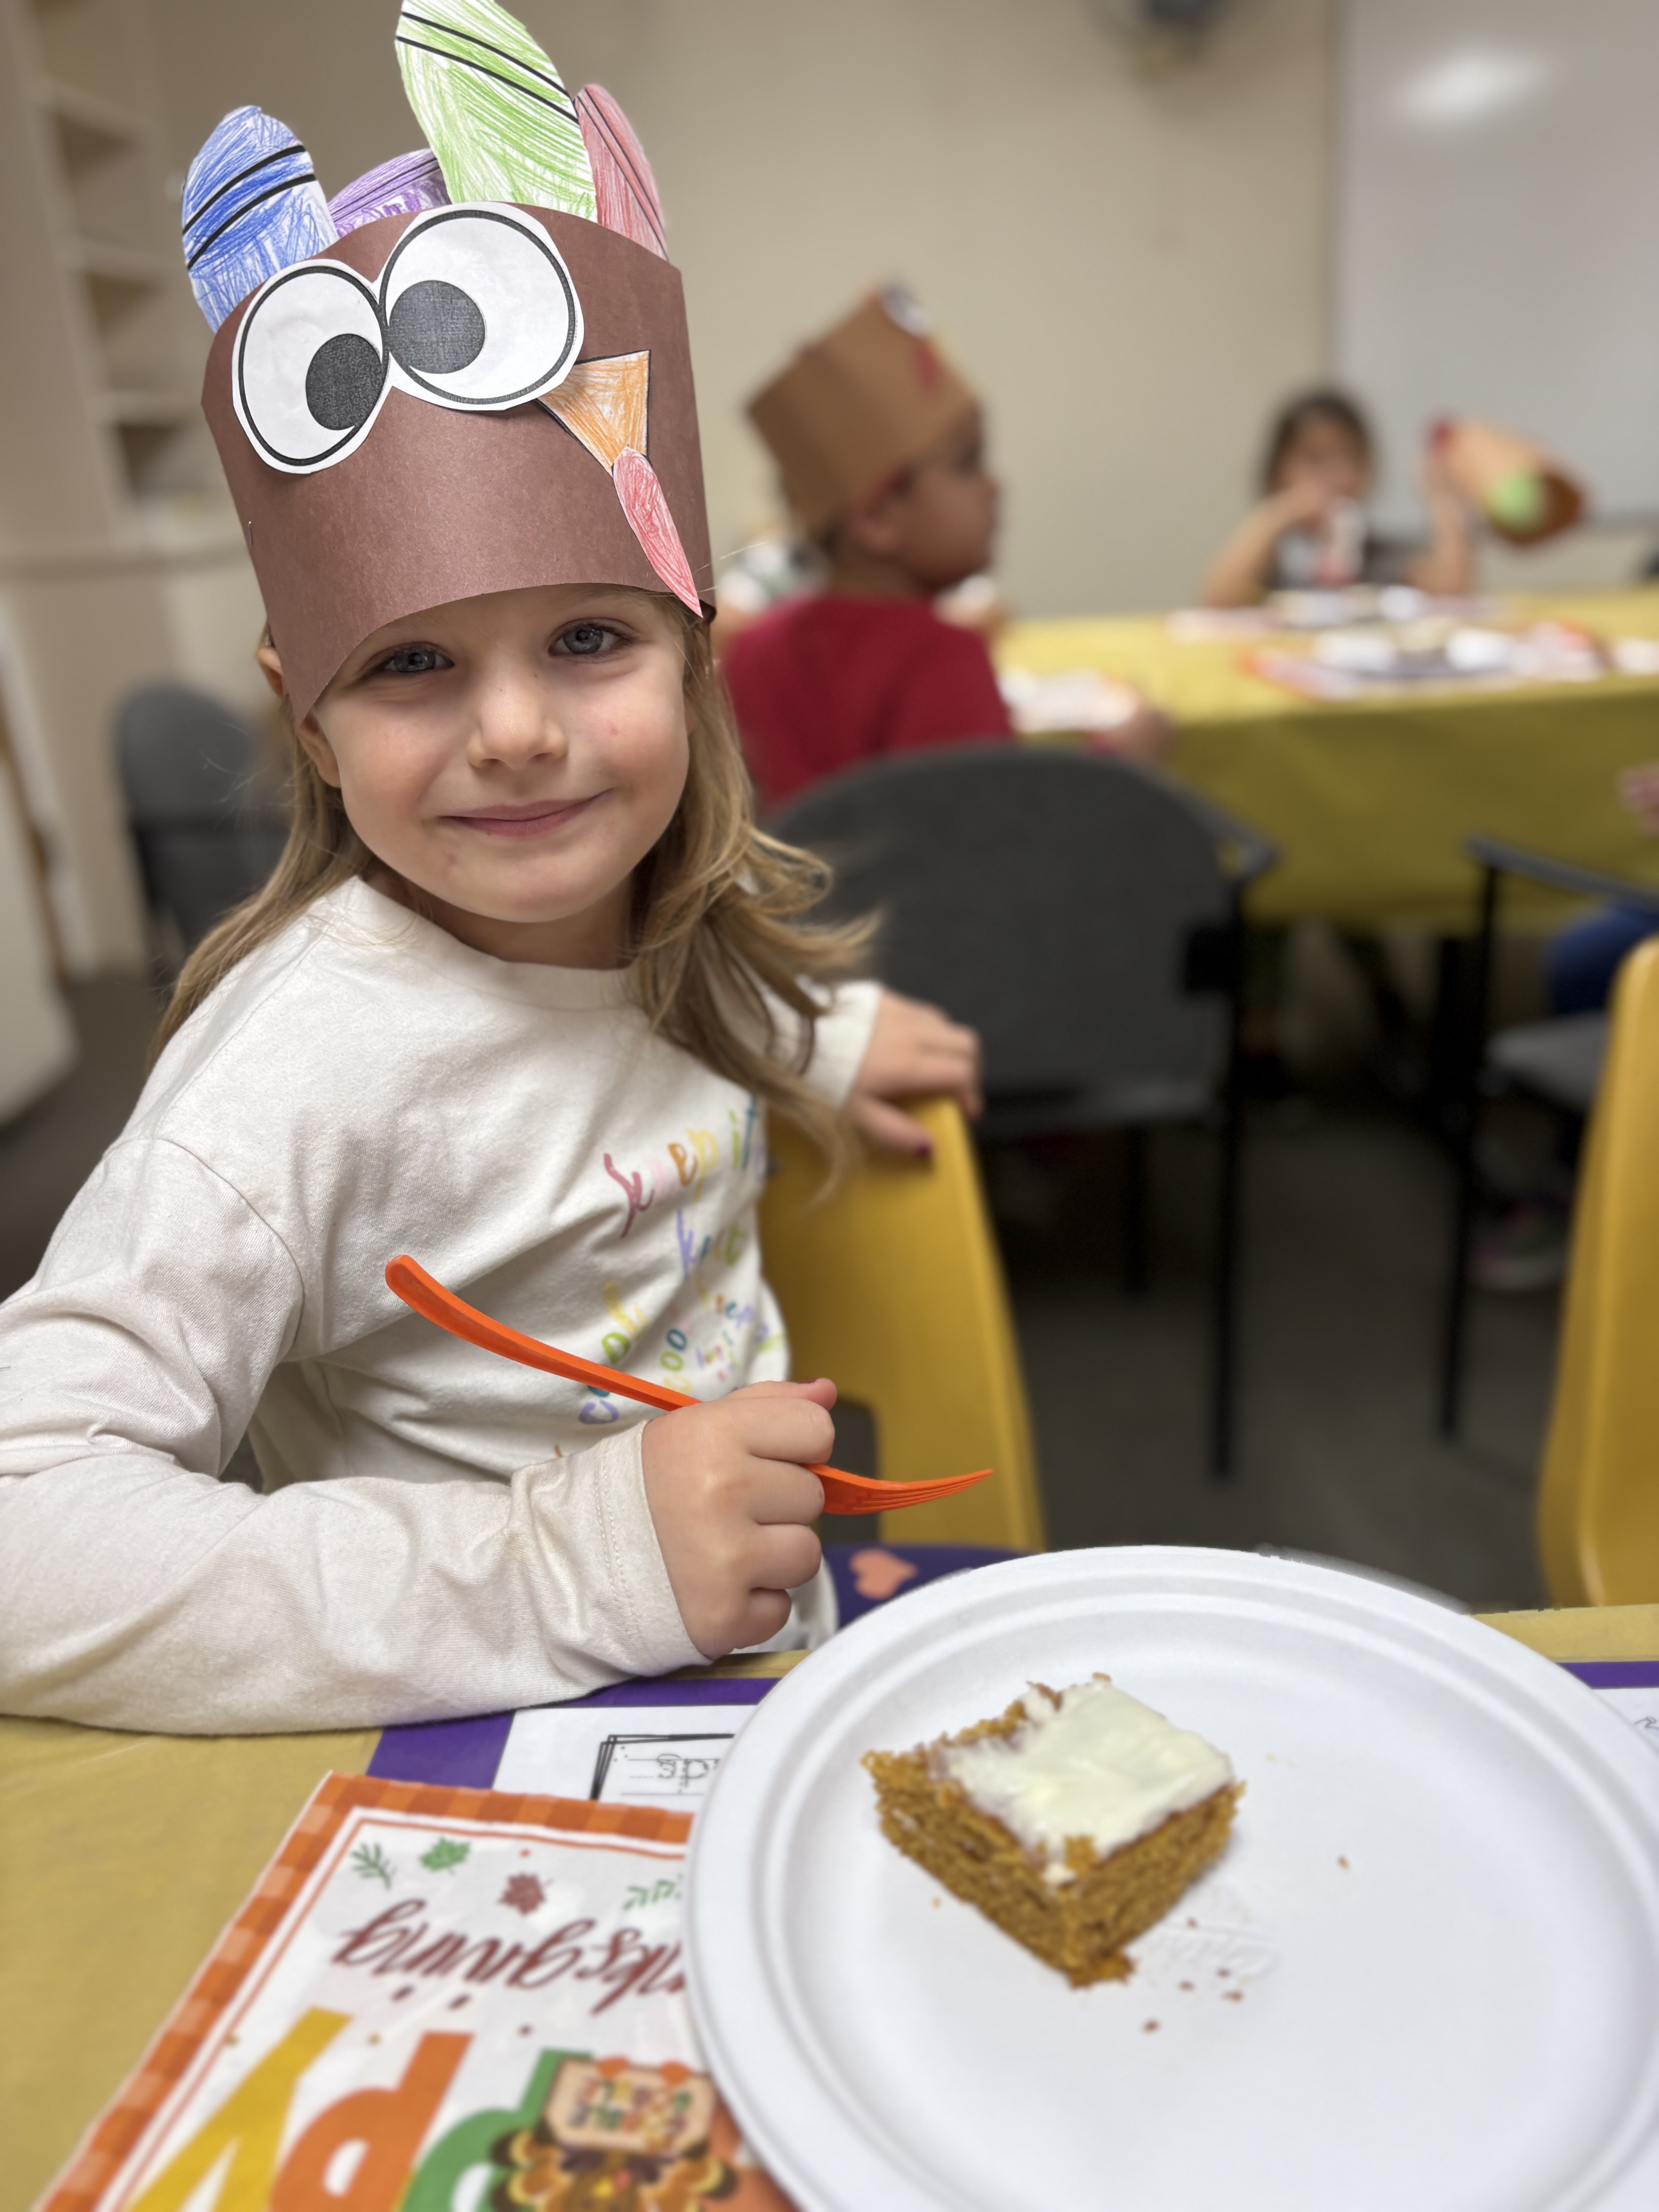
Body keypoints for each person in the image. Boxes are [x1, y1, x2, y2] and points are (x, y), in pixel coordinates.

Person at [0, 17, 980, 1734]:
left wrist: (815, 1035)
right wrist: (558, 1568)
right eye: (412, 666)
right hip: (486, 1739)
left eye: (589, 638)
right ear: (307, 723)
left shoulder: (658, 918)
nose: (518, 733)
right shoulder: (295, 1076)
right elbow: (26, 1530)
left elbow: (614, 1037)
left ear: (694, 657)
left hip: (756, 1670)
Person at [724, 289, 1167, 808]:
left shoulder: (753, 650)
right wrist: (1120, 766)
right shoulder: (943, 658)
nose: (994, 487)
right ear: (877, 518)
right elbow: (990, 839)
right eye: (968, 463)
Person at [1202, 388, 1474, 608]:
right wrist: (1282, 512)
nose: (1334, 475)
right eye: (1314, 458)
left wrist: (1440, 495)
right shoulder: (1272, 561)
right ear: (1276, 470)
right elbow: (1216, 598)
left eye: (1349, 457)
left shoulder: (1377, 558)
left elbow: (1453, 590)